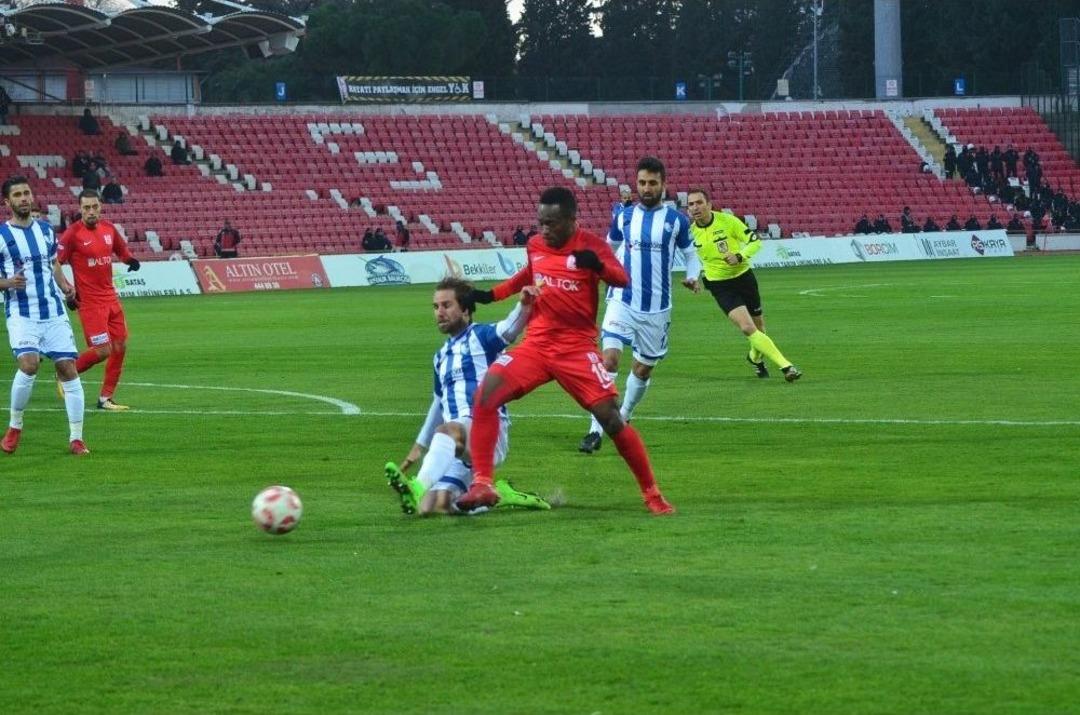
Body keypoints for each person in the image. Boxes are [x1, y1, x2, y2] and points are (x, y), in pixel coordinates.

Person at [457, 187, 675, 515]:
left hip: (576, 349)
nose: (545, 230)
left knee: (611, 419)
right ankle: (483, 483)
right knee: (486, 394)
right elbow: (527, 276)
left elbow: (622, 279)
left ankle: (652, 495)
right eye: (541, 223)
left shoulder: (592, 245)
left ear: (573, 220)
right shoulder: (535, 245)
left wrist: (597, 266)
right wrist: (490, 295)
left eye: (553, 223)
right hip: (537, 345)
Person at [384, 277, 550, 516]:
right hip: (457, 444)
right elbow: (438, 403)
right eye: (435, 307)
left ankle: (416, 485)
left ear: (465, 309)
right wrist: (418, 448)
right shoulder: (440, 357)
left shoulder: (481, 337)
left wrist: (524, 305)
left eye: (446, 305)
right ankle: (502, 494)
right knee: (433, 506)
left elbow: (509, 329)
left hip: (486, 433)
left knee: (448, 430)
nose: (439, 312)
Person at [578, 156, 700, 455]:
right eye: (642, 182)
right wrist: (597, 270)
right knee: (608, 360)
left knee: (643, 369)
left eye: (652, 183)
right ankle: (595, 429)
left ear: (663, 185)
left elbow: (690, 254)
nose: (646, 188)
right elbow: (610, 249)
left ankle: (625, 414)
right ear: (636, 183)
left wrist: (693, 276)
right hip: (623, 299)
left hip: (657, 308)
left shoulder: (677, 221)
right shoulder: (623, 216)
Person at [0, 175, 88, 455]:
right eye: (18, 195)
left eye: (26, 193)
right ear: (7, 202)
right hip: (22, 312)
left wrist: (66, 287)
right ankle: (15, 426)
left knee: (68, 370)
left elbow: (54, 264)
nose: (24, 198)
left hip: (53, 310)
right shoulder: (2, 236)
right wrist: (6, 283)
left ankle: (76, 438)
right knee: (29, 364)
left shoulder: (47, 231)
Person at [686, 188, 802, 382]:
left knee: (760, 330)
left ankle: (754, 358)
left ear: (709, 204)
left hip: (743, 277)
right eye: (691, 204)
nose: (695, 207)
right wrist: (692, 278)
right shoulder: (690, 233)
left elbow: (755, 242)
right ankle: (786, 366)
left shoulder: (728, 221)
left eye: (699, 203)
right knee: (747, 328)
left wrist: (740, 255)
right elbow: (693, 259)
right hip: (719, 285)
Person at [57, 189, 140, 411]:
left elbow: (121, 249)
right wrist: (68, 290)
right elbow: (54, 264)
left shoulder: (109, 229)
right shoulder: (72, 234)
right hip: (91, 303)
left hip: (111, 298)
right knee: (103, 350)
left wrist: (129, 259)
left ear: (100, 206)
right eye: (86, 208)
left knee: (120, 346)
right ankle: (65, 373)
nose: (91, 211)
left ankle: (106, 398)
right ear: (80, 209)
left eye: (94, 207)